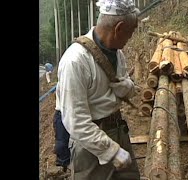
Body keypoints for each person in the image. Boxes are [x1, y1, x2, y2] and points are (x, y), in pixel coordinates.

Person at [54, 0, 140, 179]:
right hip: (90, 146)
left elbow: (128, 87)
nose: (130, 38)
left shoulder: (118, 53)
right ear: (119, 28)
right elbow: (76, 122)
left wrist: (126, 87)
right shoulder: (75, 61)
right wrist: (112, 151)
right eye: (130, 33)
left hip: (119, 131)